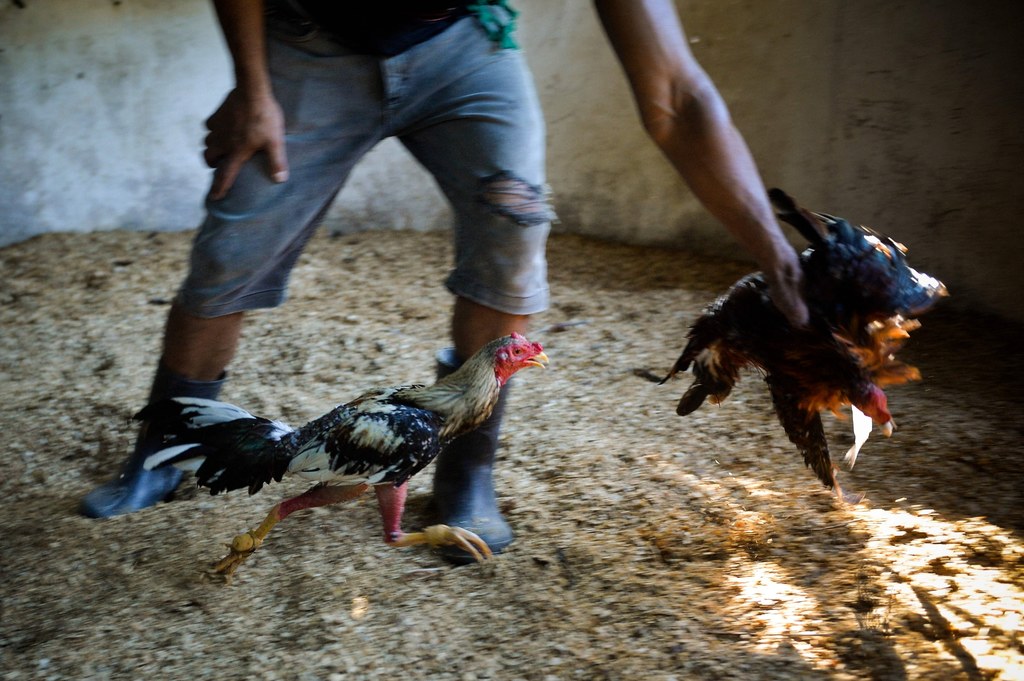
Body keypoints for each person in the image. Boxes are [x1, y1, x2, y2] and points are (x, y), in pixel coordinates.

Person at [80, 0, 809, 563]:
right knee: (235, 239)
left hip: (464, 44)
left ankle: (464, 476)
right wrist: (251, 85)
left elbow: (676, 96)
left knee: (514, 223)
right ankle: (160, 452)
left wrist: (776, 254)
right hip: (308, 40)